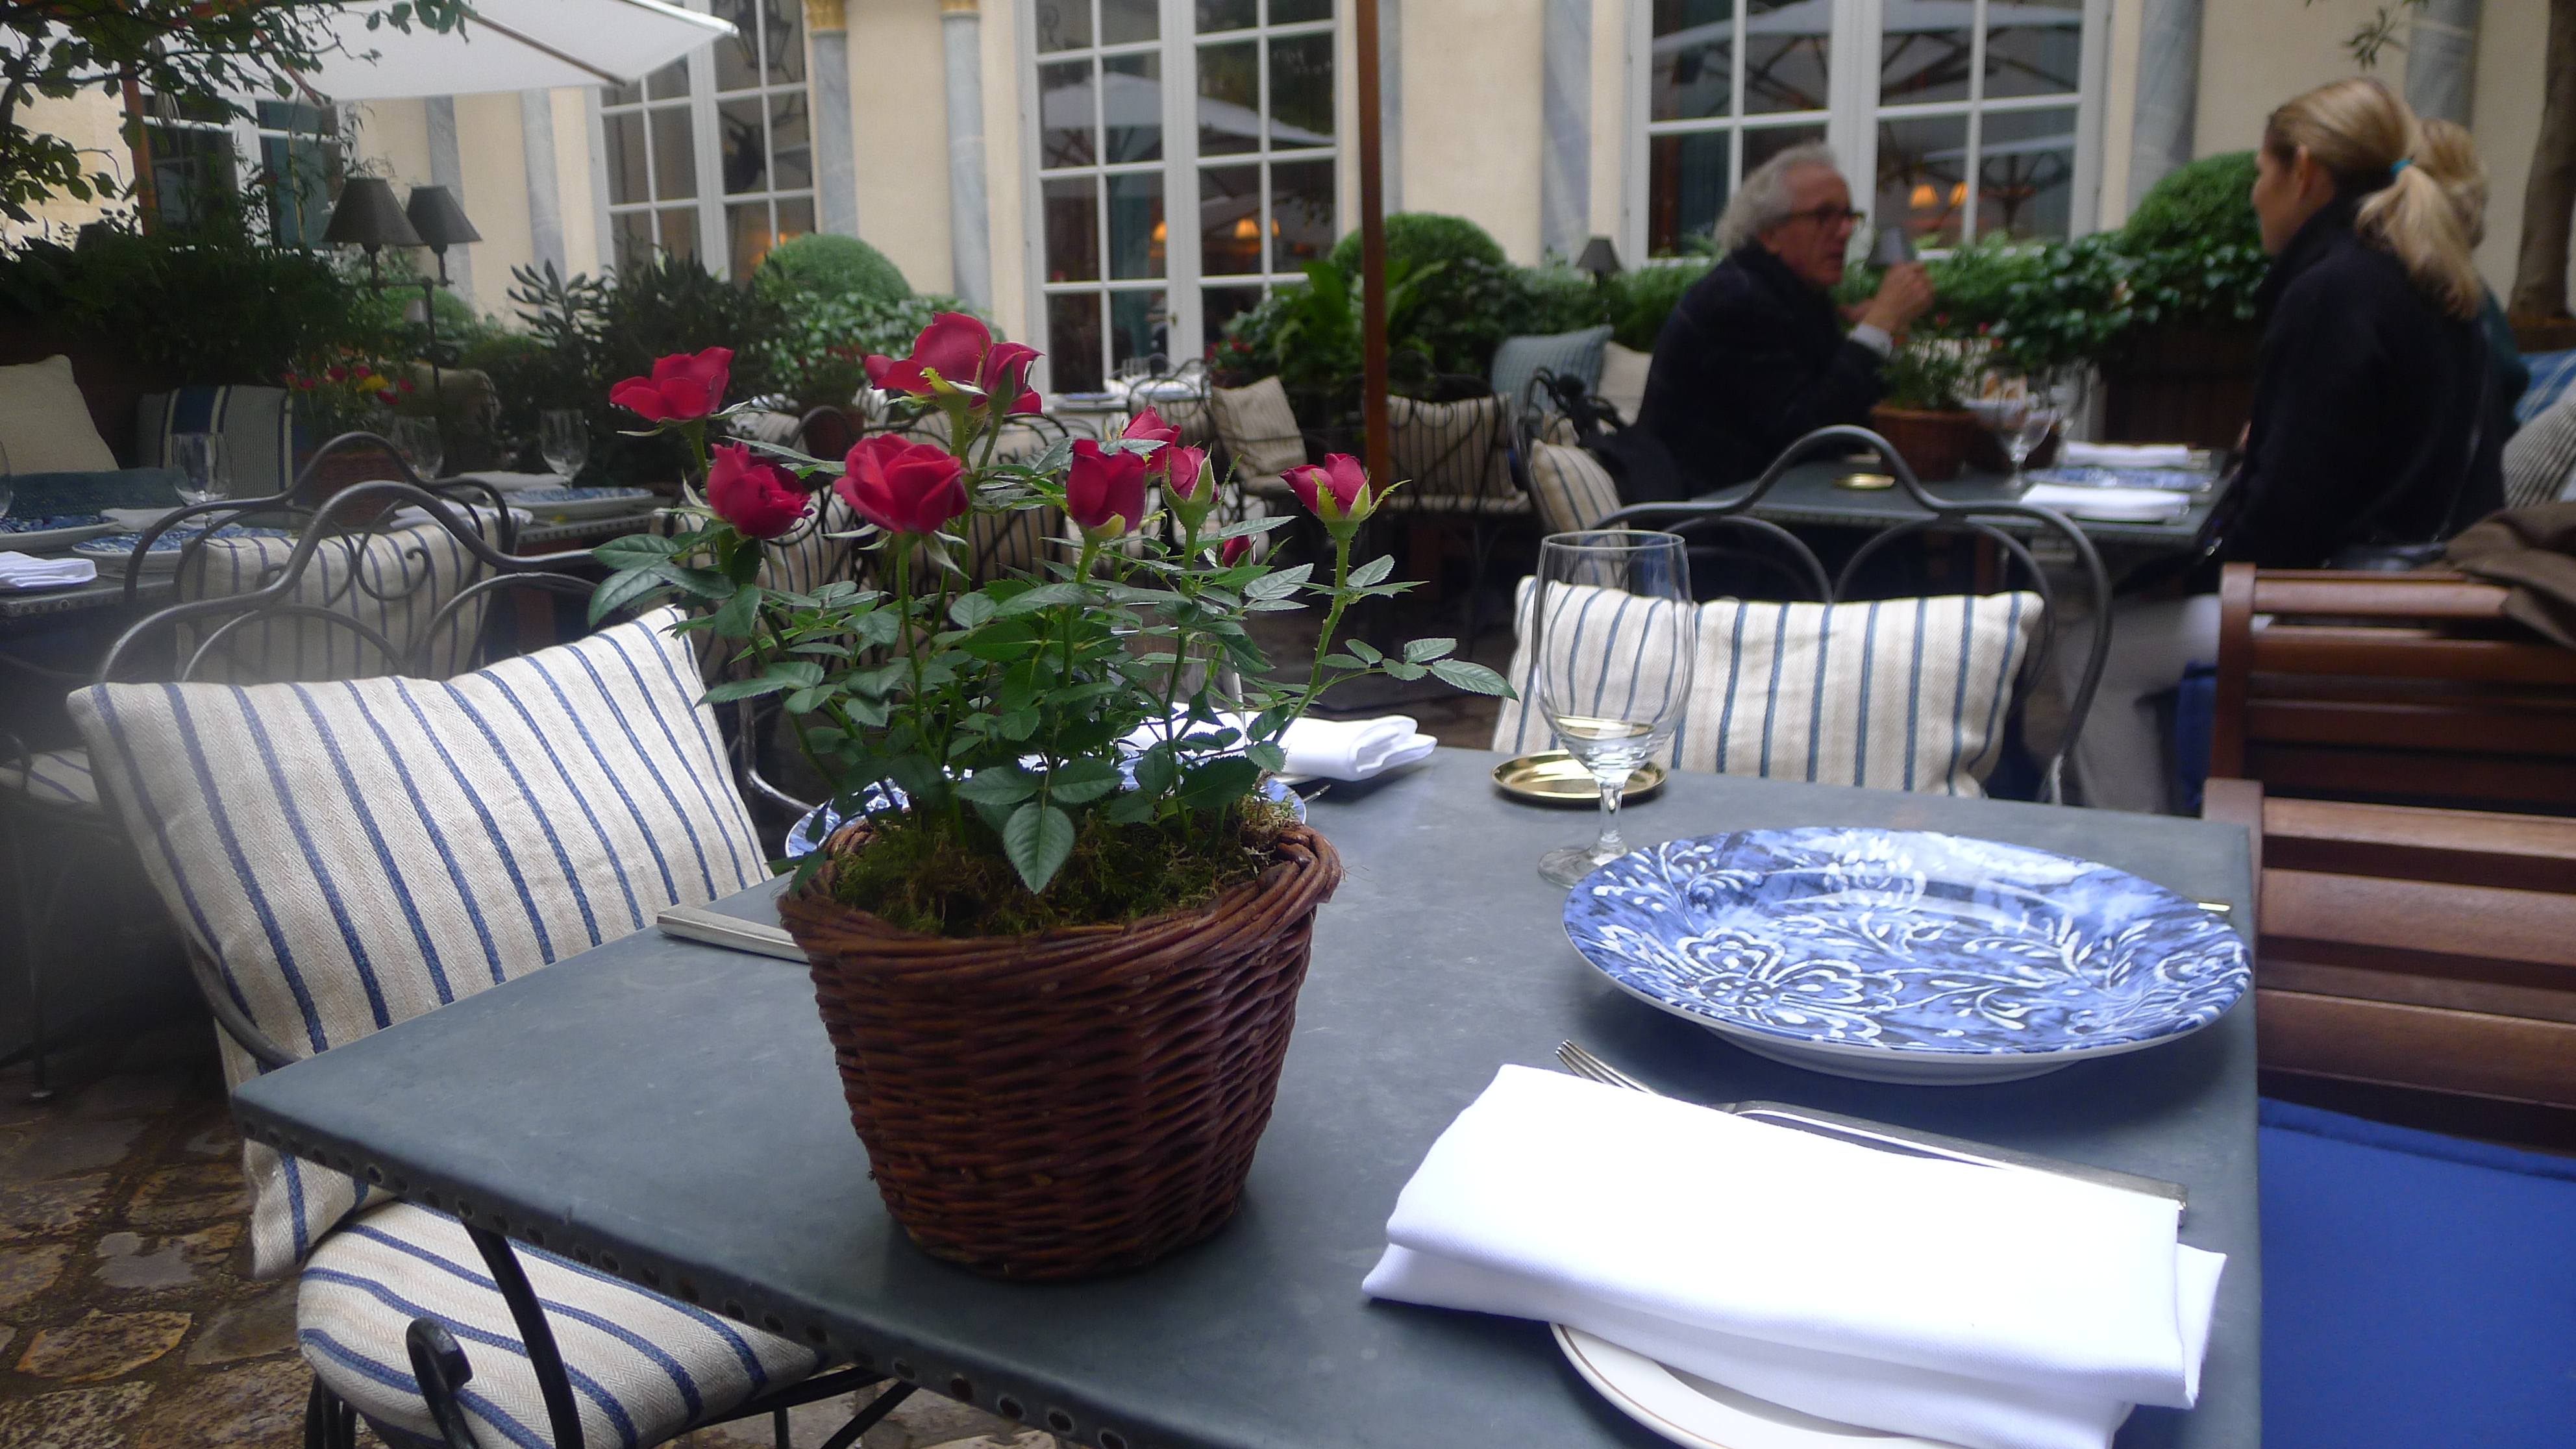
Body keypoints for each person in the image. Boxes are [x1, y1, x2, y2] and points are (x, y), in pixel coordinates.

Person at [2065, 77, 2501, 813]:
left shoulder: (2333, 291)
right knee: (2128, 618)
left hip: (2341, 605)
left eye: (2260, 171)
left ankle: (2149, 867)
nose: (2252, 194)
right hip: (2425, 593)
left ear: (2303, 171)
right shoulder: (2432, 278)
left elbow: (2285, 521)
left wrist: (2189, 578)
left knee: (2086, 651)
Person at [1629, 144, 1935, 496]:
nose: (1844, 231)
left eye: (1848, 216)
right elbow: (1811, 435)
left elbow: (1856, 422)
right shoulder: (1736, 301)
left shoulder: (1796, 295)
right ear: (1769, 234)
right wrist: (1876, 327)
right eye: (1824, 216)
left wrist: (1888, 334)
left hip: (1769, 505)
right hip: (1711, 517)